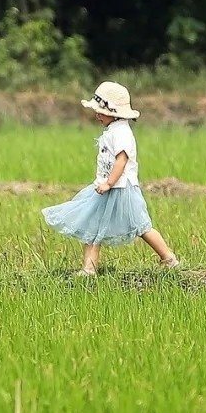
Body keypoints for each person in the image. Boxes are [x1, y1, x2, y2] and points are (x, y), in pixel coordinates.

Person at [42, 81, 179, 277]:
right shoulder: (113, 131)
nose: (97, 115)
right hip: (105, 188)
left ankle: (169, 258)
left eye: (100, 111)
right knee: (93, 226)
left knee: (141, 226)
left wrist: (109, 183)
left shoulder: (122, 132)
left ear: (114, 112)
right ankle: (89, 268)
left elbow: (121, 160)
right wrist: (104, 184)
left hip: (121, 189)